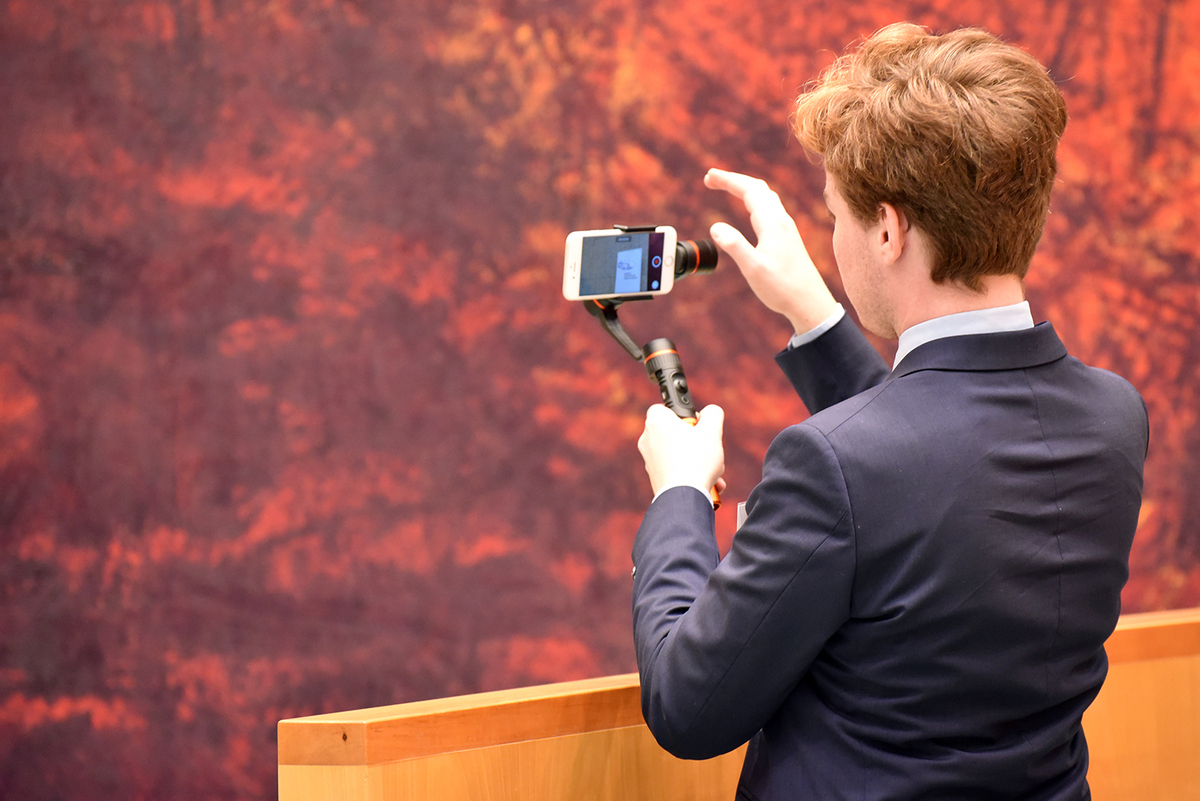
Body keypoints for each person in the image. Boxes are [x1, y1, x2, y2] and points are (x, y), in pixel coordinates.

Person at [631, 23, 1148, 800]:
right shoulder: (1114, 415)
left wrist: (676, 497)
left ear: (887, 227)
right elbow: (931, 465)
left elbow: (688, 707)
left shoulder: (834, 463)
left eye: (837, 215)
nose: (834, 237)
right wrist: (811, 309)